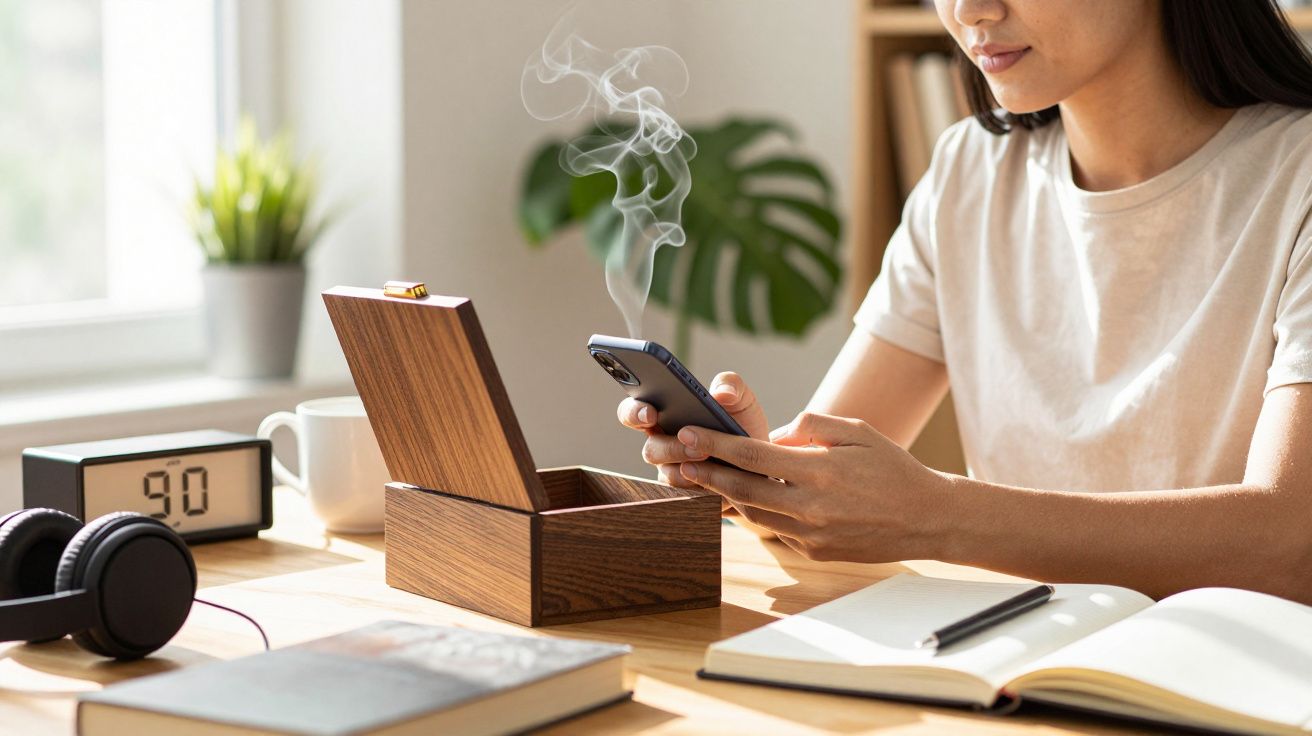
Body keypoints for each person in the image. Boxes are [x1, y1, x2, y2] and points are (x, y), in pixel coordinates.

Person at [618, 0, 1312, 604]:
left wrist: (940, 515)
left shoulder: (1297, 177)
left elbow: (1288, 543)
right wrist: (755, 470)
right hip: (1022, 663)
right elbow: (840, 487)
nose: (969, 9)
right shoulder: (970, 172)